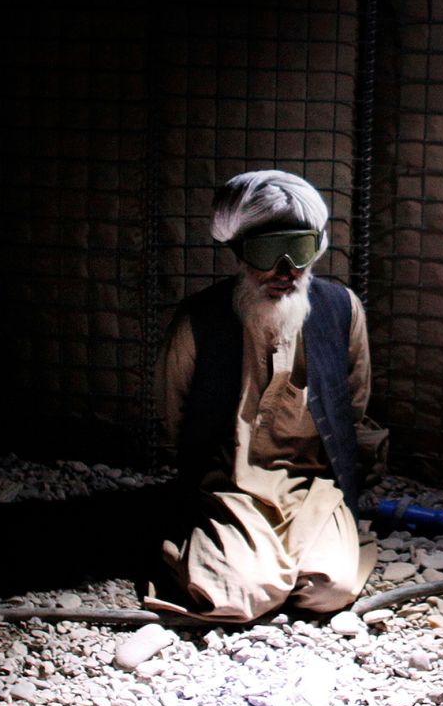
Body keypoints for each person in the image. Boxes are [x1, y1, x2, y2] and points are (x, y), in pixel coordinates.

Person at [148, 170, 386, 621]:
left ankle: (279, 550)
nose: (286, 271)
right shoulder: (198, 320)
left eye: (299, 250)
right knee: (242, 596)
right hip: (231, 487)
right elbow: (177, 417)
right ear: (239, 252)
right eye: (266, 252)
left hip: (315, 486)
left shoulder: (342, 309)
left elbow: (353, 404)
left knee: (328, 591)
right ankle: (192, 537)